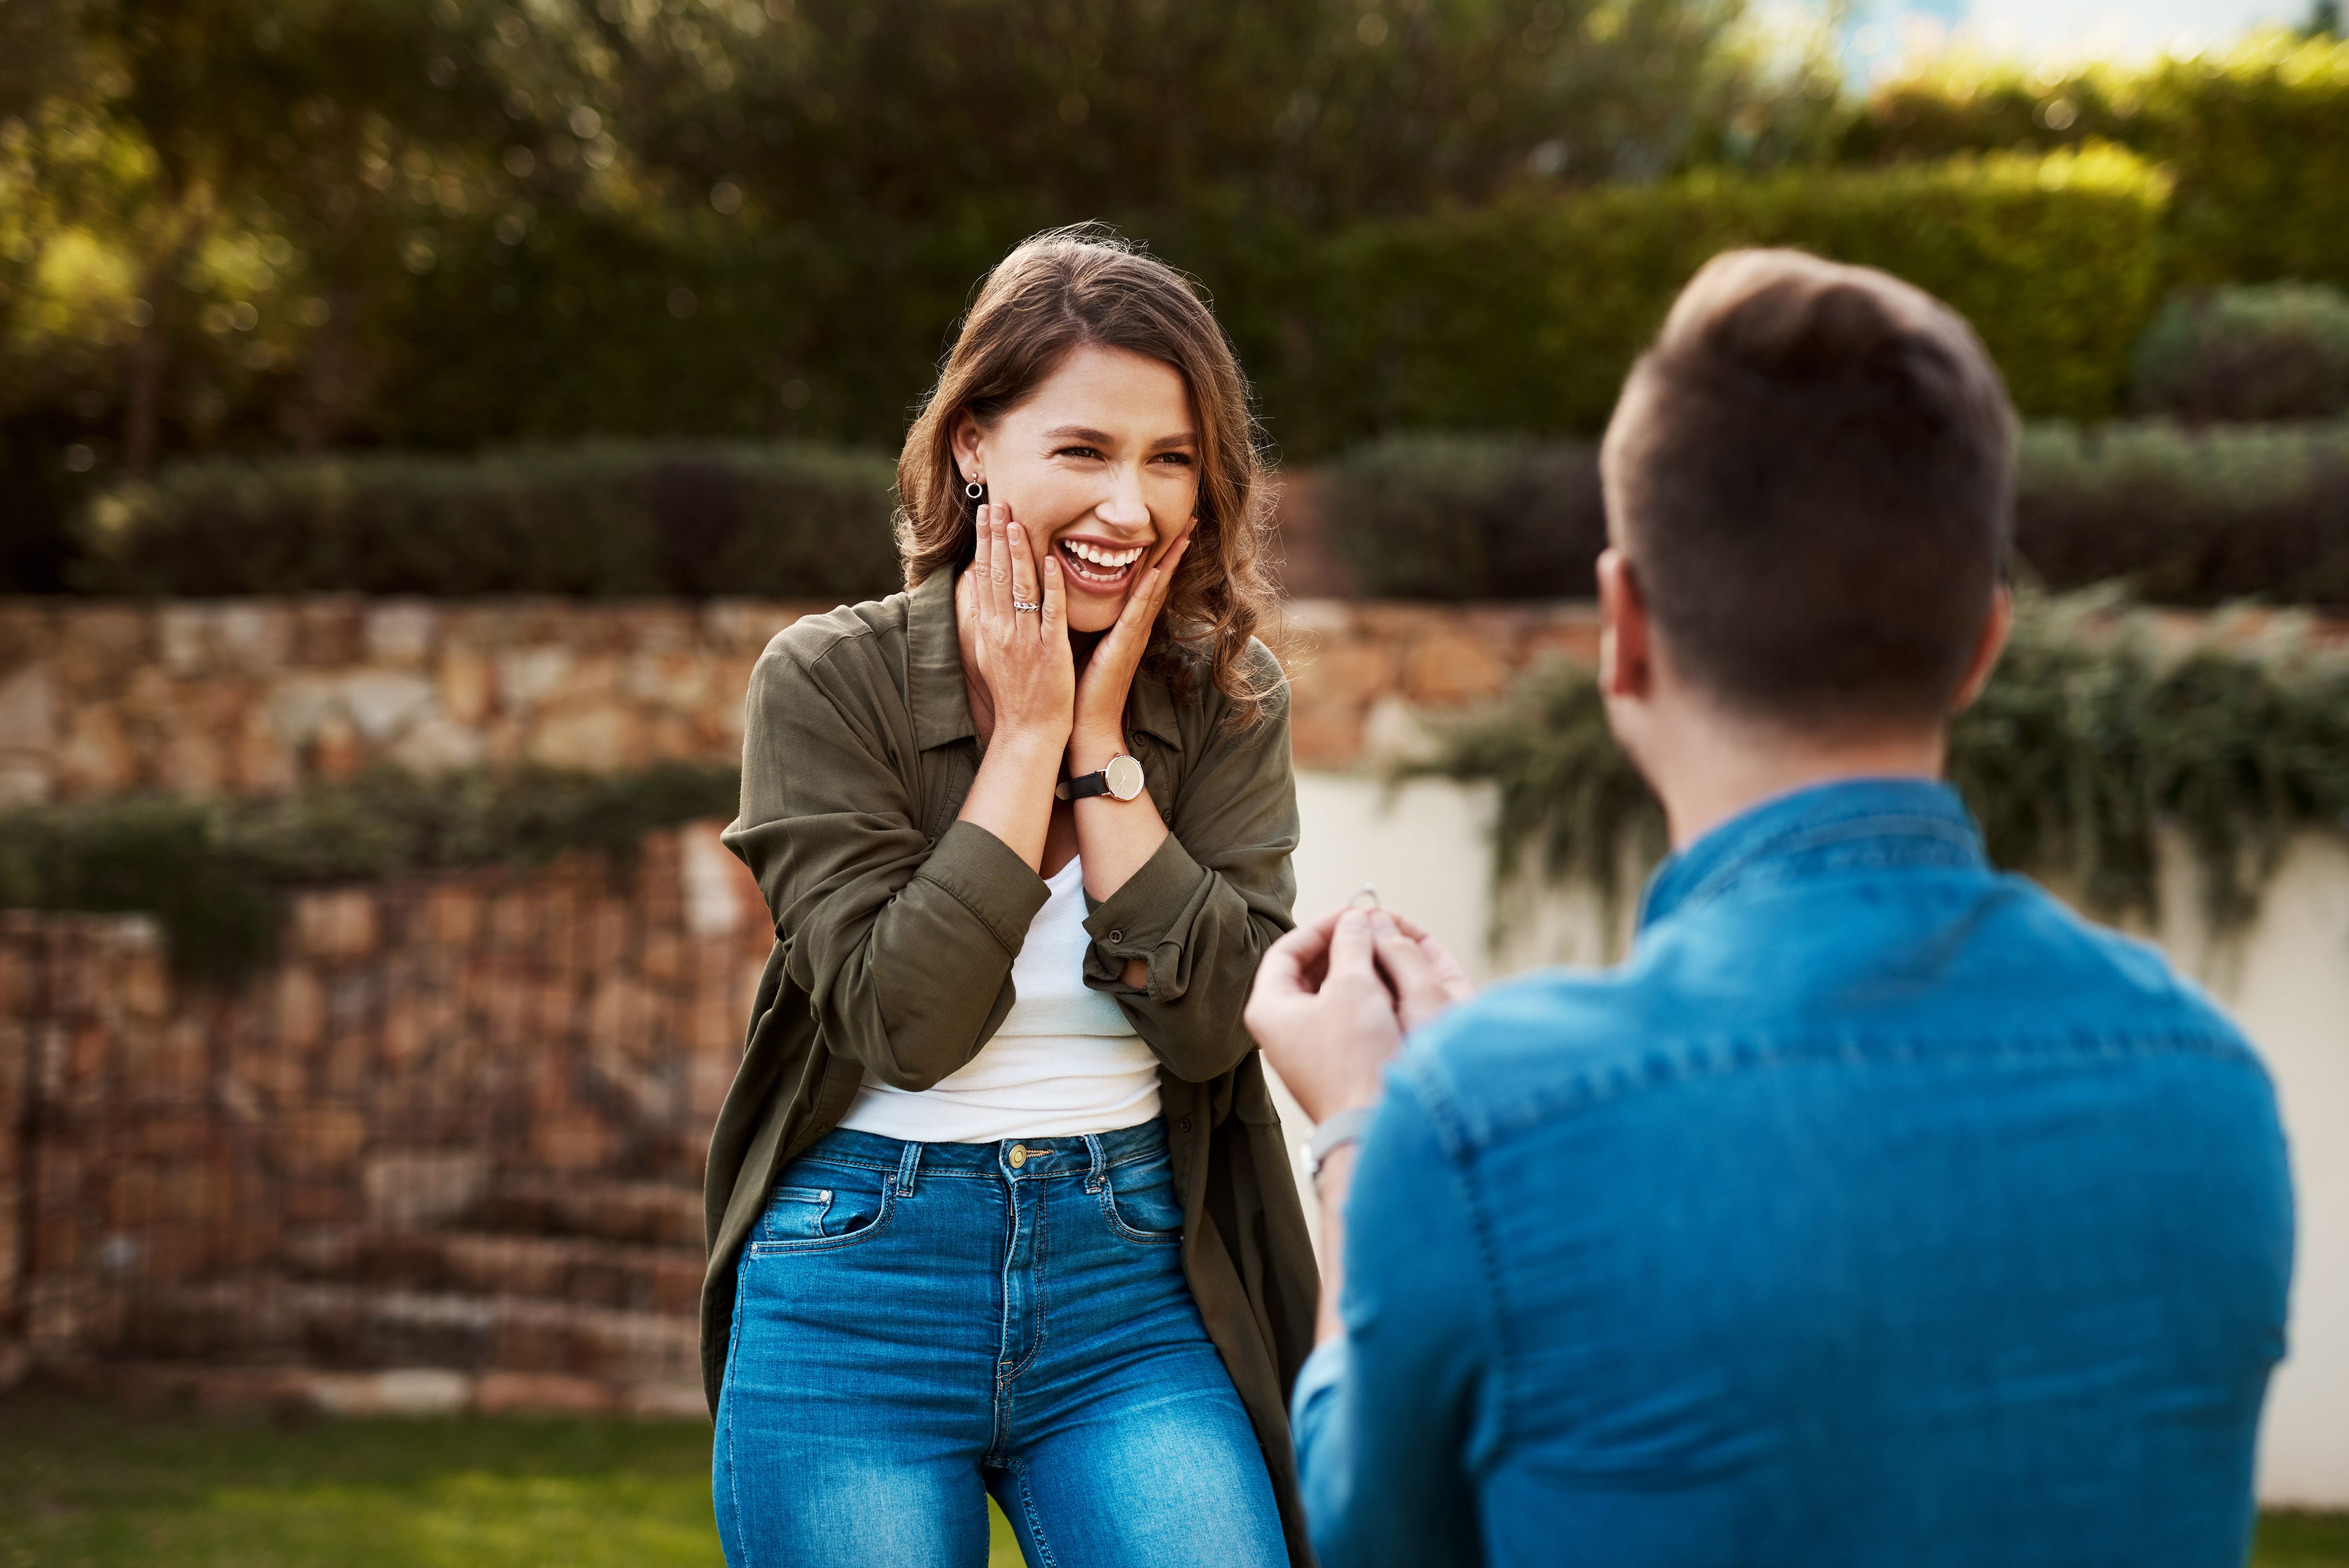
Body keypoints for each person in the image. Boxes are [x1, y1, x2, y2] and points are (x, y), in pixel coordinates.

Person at [1244, 249, 2295, 1568]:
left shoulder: (1478, 1126)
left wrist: (1365, 1125)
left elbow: (1368, 1535)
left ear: (1623, 628)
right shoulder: (2211, 1092)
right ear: (1984, 641)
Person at [700, 228, 1315, 1568]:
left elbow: (1216, 1026)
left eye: (1171, 460)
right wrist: (1027, 736)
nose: (1131, 508)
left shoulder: (1222, 705)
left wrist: (1102, 755)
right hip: (858, 1282)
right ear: (974, 445)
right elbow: (905, 1022)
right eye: (1084, 452)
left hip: (1134, 1288)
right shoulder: (827, 682)